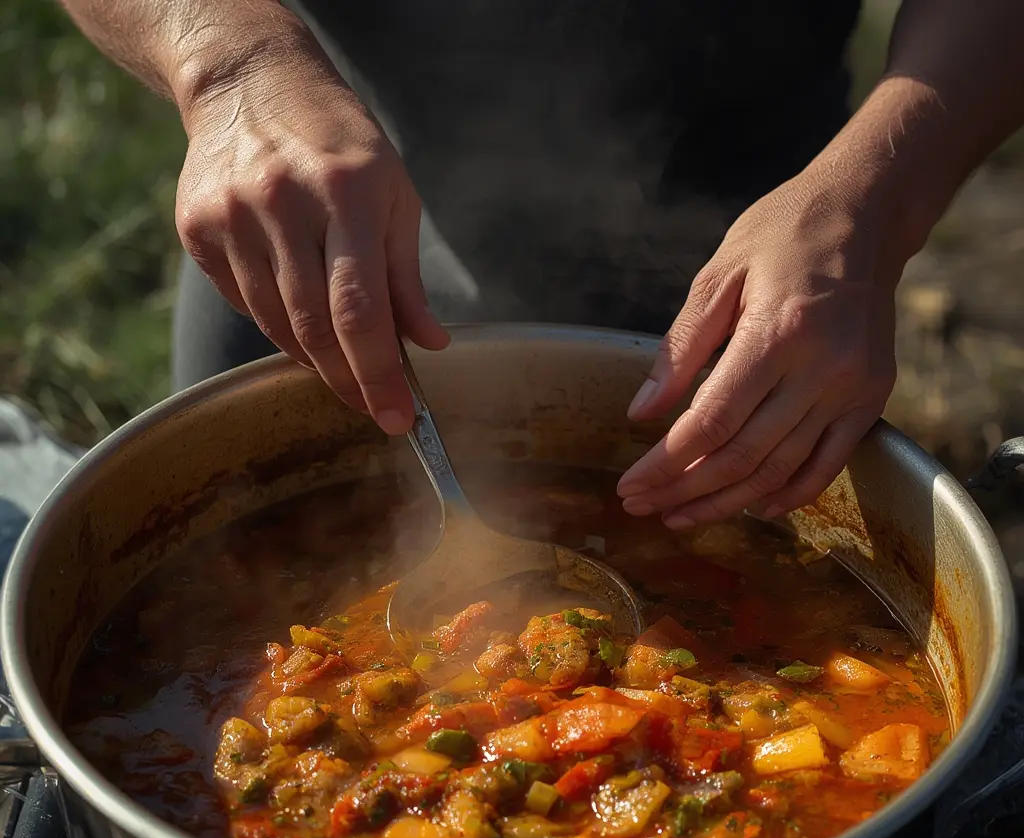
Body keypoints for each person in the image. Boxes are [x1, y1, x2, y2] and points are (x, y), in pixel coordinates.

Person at [60, 0, 1024, 528]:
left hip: (755, 280)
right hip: (312, 227)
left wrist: (876, 197)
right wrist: (226, 64)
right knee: (223, 551)